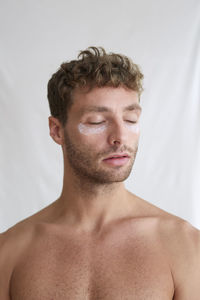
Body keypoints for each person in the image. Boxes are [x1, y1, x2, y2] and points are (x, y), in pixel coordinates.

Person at [0, 47, 199, 300]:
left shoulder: (185, 247)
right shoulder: (10, 252)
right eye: (96, 121)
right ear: (57, 130)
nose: (119, 137)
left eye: (130, 119)